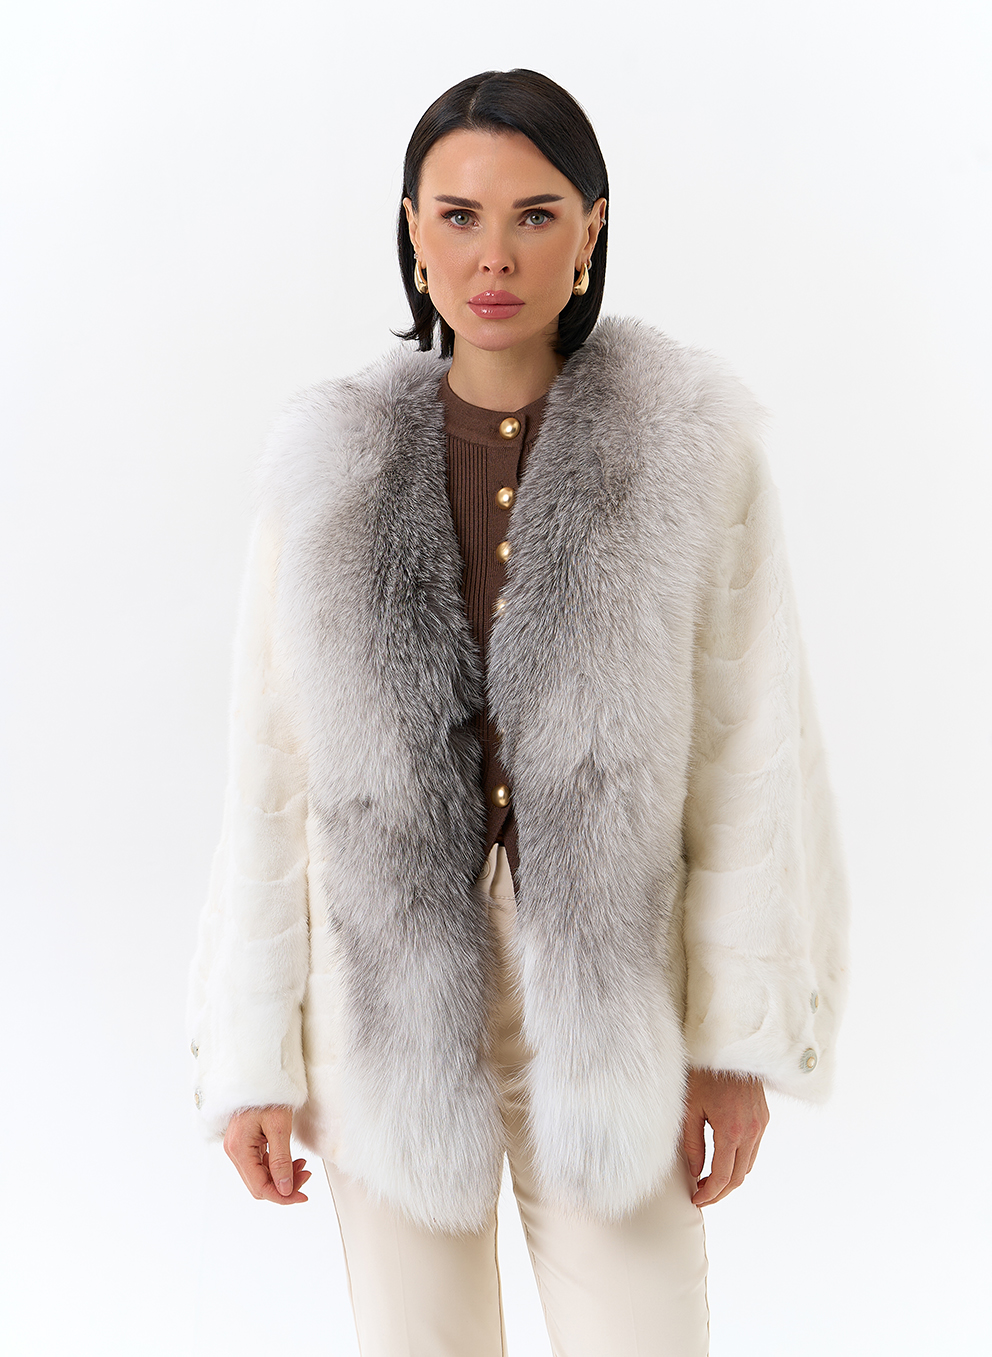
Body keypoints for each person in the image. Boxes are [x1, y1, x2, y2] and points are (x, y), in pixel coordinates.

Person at [186, 68, 850, 1357]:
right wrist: (253, 1058)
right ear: (411, 228)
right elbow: (268, 776)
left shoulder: (687, 450)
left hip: (617, 988)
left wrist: (732, 1044)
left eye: (536, 215)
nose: (493, 256)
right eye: (458, 215)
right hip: (380, 996)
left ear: (592, 226)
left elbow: (751, 754)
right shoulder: (327, 464)